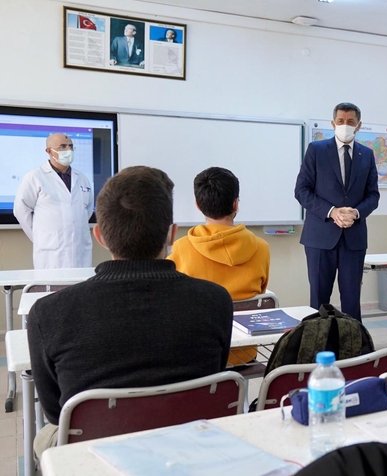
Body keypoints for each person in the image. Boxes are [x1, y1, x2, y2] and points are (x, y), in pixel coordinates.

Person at [27, 166, 233, 459]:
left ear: (99, 235)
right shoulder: (216, 301)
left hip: (94, 459)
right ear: (172, 234)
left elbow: (55, 411)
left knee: (43, 438)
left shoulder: (47, 314)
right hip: (189, 451)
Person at [169, 166, 270, 365]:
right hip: (244, 354)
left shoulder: (180, 248)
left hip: (199, 354)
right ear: (235, 204)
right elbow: (261, 291)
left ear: (198, 204)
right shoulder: (261, 248)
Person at [294, 102, 380, 320]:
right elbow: (301, 191)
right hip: (319, 238)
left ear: (358, 125)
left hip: (354, 238)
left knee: (352, 300)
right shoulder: (316, 150)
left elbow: (373, 196)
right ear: (333, 123)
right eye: (340, 121)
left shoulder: (367, 155)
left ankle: (353, 340)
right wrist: (332, 211)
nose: (345, 125)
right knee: (318, 301)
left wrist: (356, 213)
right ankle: (317, 339)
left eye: (350, 122)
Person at [13, 133, 93, 269]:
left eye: (71, 146)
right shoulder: (35, 177)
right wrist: (40, 237)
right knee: (53, 282)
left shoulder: (82, 178)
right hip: (50, 255)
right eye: (62, 147)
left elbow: (87, 210)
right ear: (49, 151)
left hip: (81, 253)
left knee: (81, 282)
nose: (68, 150)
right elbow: (21, 210)